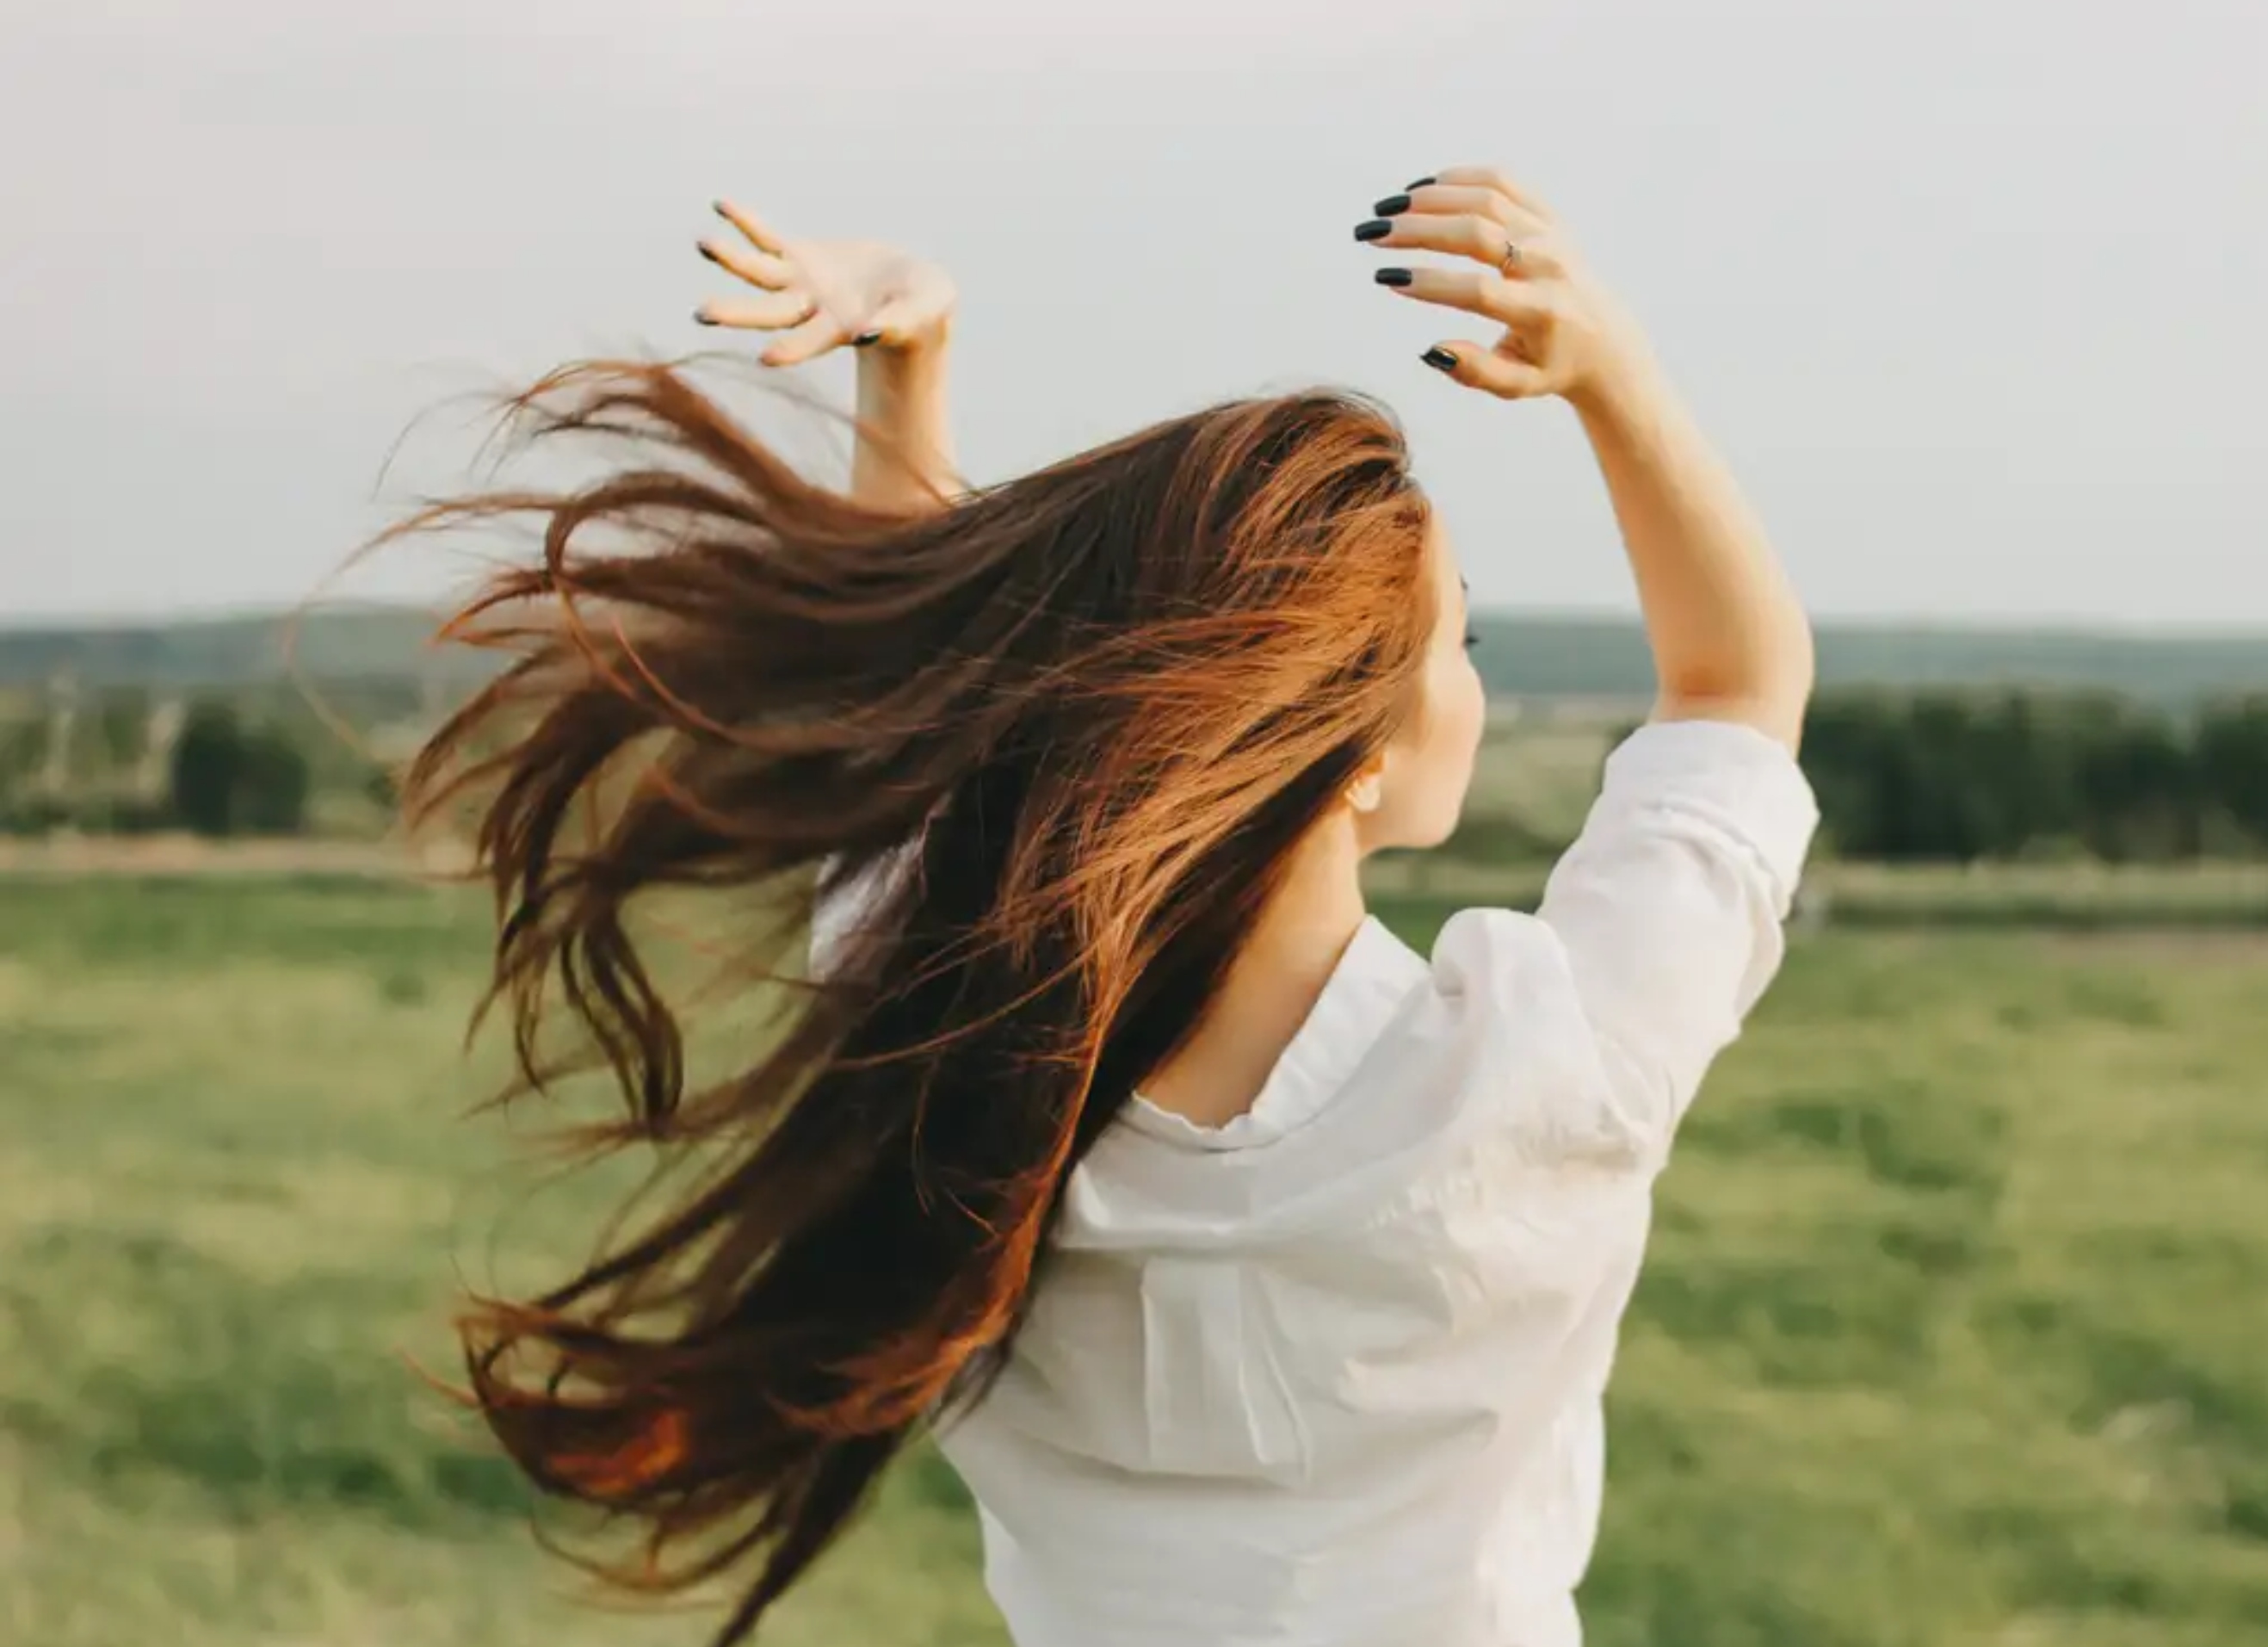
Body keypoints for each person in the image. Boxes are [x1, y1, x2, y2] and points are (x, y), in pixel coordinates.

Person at [410, 168, 1818, 1647]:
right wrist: (1614, 374)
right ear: (1351, 753)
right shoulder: (1541, 1074)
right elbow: (1737, 686)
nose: (1472, 672)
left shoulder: (949, 1075)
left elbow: (930, 744)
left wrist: (911, 371)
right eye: (1455, 637)